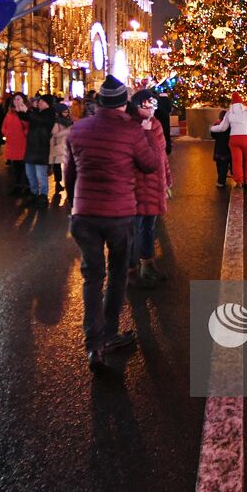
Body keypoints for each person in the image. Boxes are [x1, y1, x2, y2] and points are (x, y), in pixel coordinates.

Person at [65, 76, 160, 371]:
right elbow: (150, 164)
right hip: (119, 214)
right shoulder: (131, 131)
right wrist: (146, 134)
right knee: (117, 275)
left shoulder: (77, 129)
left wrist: (74, 204)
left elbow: (69, 173)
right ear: (123, 103)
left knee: (92, 278)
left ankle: (93, 346)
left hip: (84, 214)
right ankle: (109, 334)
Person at [128, 89, 170, 287]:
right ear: (137, 106)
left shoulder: (156, 124)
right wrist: (144, 132)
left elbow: (161, 156)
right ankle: (129, 269)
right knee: (133, 228)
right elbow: (141, 156)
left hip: (154, 185)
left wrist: (167, 179)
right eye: (147, 105)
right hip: (137, 186)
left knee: (149, 228)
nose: (152, 109)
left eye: (153, 105)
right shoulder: (132, 126)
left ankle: (147, 264)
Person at [209, 93, 247, 192]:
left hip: (234, 139)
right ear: (241, 102)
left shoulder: (229, 113)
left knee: (237, 161)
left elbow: (223, 127)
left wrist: (212, 128)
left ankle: (239, 181)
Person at [22, 94, 56, 208]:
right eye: (39, 101)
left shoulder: (50, 114)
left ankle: (43, 197)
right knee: (30, 173)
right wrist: (20, 109)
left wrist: (28, 111)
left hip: (41, 149)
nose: (40, 103)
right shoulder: (37, 112)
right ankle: (34, 193)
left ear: (48, 104)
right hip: (31, 148)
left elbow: (39, 120)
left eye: (42, 101)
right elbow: (28, 117)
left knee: (41, 175)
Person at [1, 93, 29, 196]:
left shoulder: (26, 112)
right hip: (12, 144)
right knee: (16, 167)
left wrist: (24, 133)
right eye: (15, 99)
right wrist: (6, 133)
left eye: (19, 99)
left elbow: (29, 126)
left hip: (22, 143)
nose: (16, 101)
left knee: (24, 167)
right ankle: (17, 186)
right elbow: (4, 126)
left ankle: (26, 187)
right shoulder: (9, 114)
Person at [50, 100, 74, 202]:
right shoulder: (56, 123)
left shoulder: (69, 121)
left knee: (67, 167)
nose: (66, 113)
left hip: (67, 146)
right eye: (64, 112)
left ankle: (65, 184)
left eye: (67, 111)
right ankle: (58, 183)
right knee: (58, 167)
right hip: (58, 147)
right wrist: (67, 131)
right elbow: (54, 135)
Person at [210, 110, 232, 187]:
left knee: (220, 165)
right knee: (224, 165)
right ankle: (222, 179)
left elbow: (213, 135)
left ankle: (221, 180)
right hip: (227, 149)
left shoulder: (217, 125)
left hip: (218, 149)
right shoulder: (230, 126)